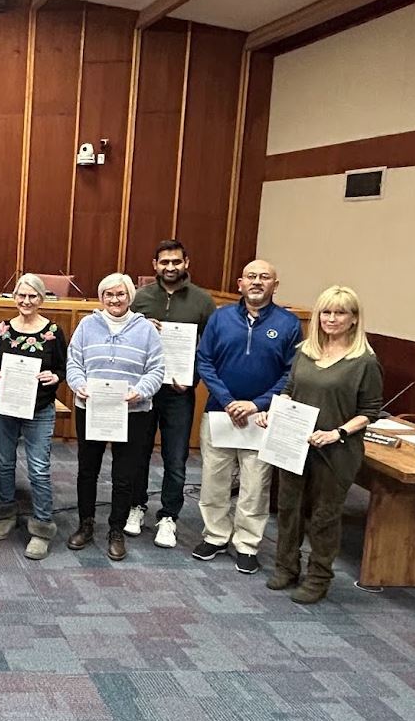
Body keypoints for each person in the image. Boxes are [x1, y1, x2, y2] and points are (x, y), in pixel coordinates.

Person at [257, 285, 382, 604]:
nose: (331, 318)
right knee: (289, 508)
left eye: (339, 312)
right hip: (294, 444)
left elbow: (370, 412)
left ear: (354, 319)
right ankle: (286, 567)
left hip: (336, 451)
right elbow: (290, 389)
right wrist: (275, 411)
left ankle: (319, 576)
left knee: (324, 516)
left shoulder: (363, 362)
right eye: (326, 311)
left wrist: (337, 433)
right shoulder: (306, 351)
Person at [193, 259, 301, 574]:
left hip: (262, 418)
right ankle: (215, 536)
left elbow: (290, 373)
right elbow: (205, 360)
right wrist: (228, 401)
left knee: (255, 485)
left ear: (275, 285)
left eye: (264, 277)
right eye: (251, 276)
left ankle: (247, 544)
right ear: (240, 283)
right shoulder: (220, 317)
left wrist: (256, 404)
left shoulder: (288, 324)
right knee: (214, 480)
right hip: (219, 413)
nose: (257, 282)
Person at [65, 273, 165, 562]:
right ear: (101, 297)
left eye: (120, 294)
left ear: (129, 296)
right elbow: (74, 363)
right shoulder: (87, 325)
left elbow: (157, 370)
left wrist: (140, 391)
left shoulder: (146, 329)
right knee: (87, 470)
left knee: (124, 475)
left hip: (132, 411)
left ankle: (116, 530)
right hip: (92, 407)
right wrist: (78, 385)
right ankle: (85, 525)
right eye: (108, 294)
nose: (114, 299)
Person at [129, 239, 216, 548]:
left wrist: (192, 379)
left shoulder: (203, 302)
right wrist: (140, 324)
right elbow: (125, 339)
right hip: (143, 391)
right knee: (137, 451)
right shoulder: (140, 298)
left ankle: (168, 516)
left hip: (178, 392)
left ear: (186, 263)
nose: (170, 267)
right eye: (164, 262)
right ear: (155, 265)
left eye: (175, 261)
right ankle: (136, 505)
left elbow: (210, 348)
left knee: (175, 457)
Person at [0, 273, 68, 560]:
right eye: (21, 295)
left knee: (38, 468)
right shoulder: (2, 329)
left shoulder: (53, 331)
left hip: (39, 409)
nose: (26, 301)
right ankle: (6, 513)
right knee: (4, 463)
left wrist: (54, 376)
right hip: (6, 407)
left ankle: (42, 527)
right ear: (14, 297)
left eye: (32, 296)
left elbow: (64, 369)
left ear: (41, 298)